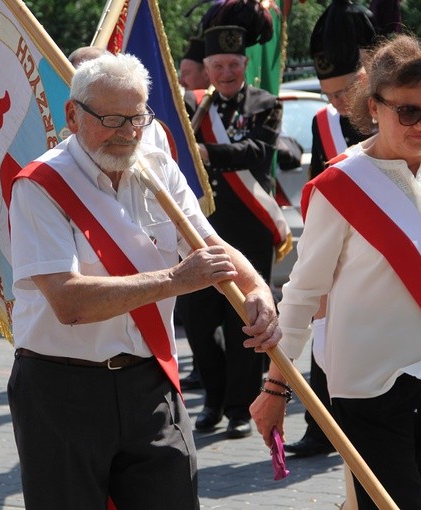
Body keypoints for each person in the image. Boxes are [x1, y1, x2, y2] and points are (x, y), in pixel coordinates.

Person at [249, 34, 421, 509]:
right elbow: (304, 294)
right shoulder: (340, 186)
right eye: (408, 111)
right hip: (368, 386)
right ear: (374, 106)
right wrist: (275, 386)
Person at [7, 52, 279, 509]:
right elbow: (69, 302)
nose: (128, 133)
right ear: (73, 115)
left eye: (137, 117)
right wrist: (175, 279)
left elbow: (210, 248)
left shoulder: (156, 167)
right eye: (112, 119)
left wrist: (257, 290)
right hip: (63, 391)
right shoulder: (40, 185)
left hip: (149, 385)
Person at [182, 5, 286, 439]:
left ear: (245, 65)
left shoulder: (266, 104)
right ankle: (212, 399)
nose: (225, 72)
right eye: (217, 65)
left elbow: (258, 152)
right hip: (201, 233)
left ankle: (240, 408)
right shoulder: (194, 110)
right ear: (206, 68)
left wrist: (210, 154)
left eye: (233, 65)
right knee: (199, 324)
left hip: (248, 232)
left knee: (246, 323)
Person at [286, 0, 376, 459]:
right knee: (323, 338)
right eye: (330, 94)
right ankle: (321, 427)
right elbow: (318, 186)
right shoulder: (328, 123)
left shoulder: (402, 115)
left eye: (345, 91)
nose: (338, 104)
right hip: (340, 254)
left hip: (385, 258)